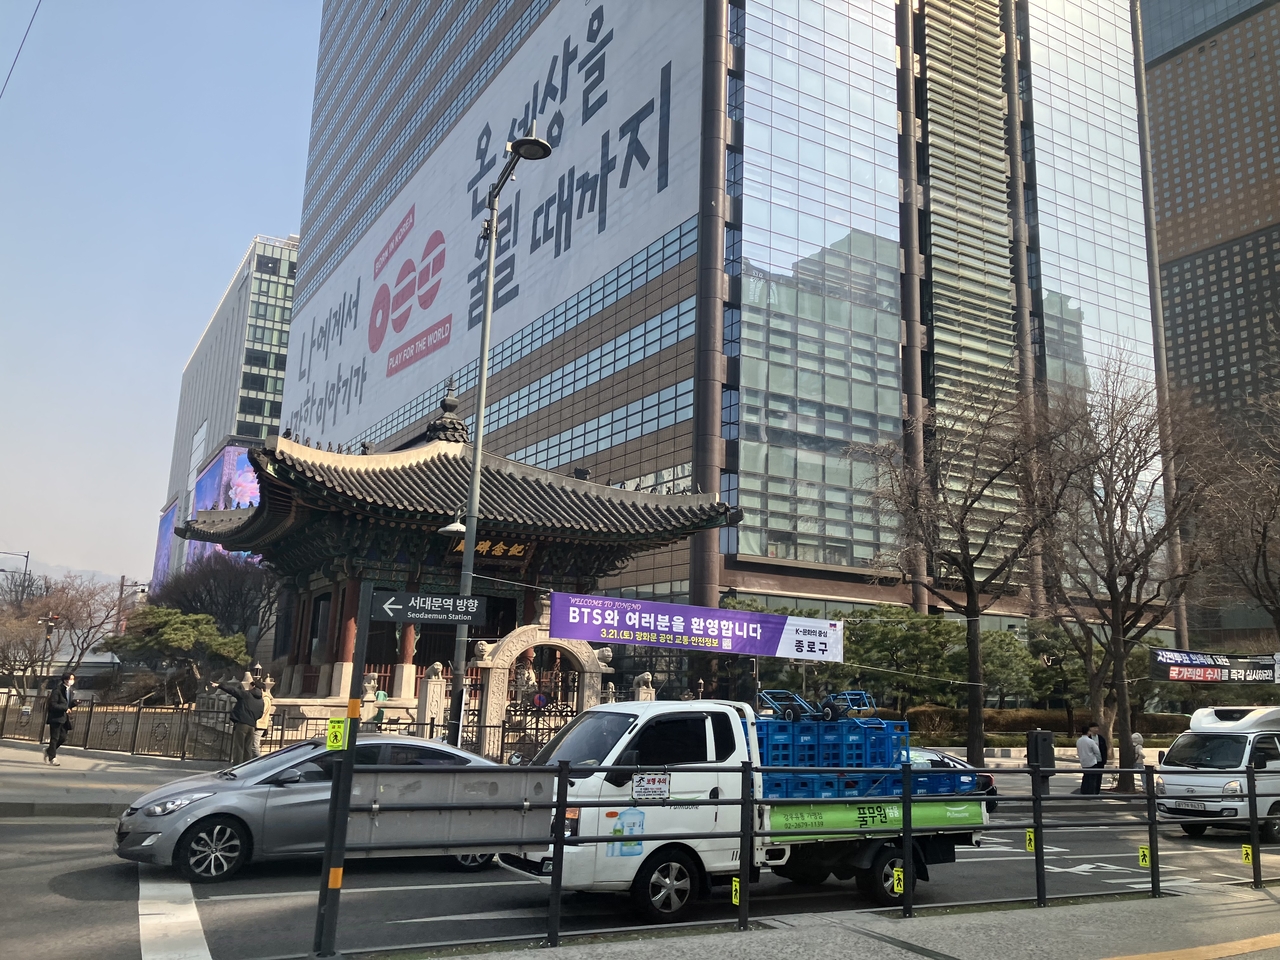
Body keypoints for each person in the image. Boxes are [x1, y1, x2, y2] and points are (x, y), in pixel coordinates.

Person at [214, 674, 264, 765]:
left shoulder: (247, 694)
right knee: (248, 747)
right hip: (252, 725)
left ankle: (237, 766)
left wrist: (220, 685)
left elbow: (233, 690)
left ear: (253, 686)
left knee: (239, 746)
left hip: (242, 724)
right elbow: (260, 714)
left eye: (249, 686)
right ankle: (246, 766)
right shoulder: (261, 700)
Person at [44, 672, 78, 765]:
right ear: (65, 680)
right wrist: (65, 708)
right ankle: (52, 758)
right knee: (54, 738)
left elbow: (68, 704)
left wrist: (74, 704)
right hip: (56, 717)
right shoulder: (57, 690)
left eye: (72, 679)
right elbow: (53, 704)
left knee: (63, 738)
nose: (71, 681)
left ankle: (49, 750)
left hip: (65, 718)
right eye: (70, 679)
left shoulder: (70, 690)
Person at [1077, 722, 1104, 795]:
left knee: (1085, 778)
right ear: (1088, 731)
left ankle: (1084, 792)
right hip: (1092, 762)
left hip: (1083, 762)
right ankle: (1091, 793)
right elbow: (1097, 751)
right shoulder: (1090, 741)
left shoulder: (1078, 741)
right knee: (1092, 779)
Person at [251, 679, 274, 758]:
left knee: (254, 746)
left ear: (260, 689)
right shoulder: (261, 698)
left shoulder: (265, 699)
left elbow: (262, 711)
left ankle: (260, 761)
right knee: (252, 745)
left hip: (260, 724)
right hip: (256, 724)